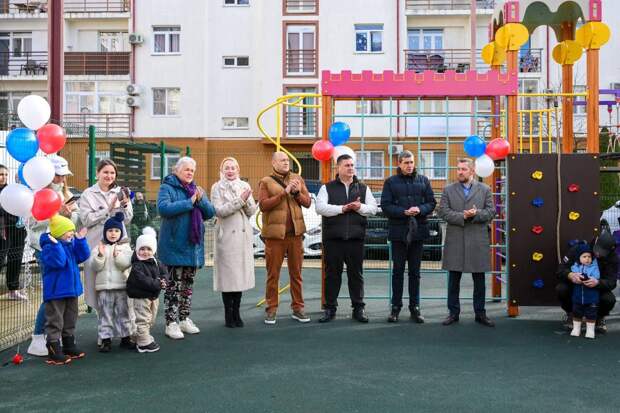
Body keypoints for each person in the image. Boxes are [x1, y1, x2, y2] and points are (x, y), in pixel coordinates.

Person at [26, 157, 80, 357]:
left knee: (62, 294)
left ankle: (58, 337)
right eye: (58, 175)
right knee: (52, 295)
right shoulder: (37, 195)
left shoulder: (66, 193)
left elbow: (76, 220)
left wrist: (68, 214)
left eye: (63, 175)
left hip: (65, 248)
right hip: (45, 249)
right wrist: (57, 213)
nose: (61, 179)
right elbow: (34, 223)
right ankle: (39, 337)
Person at [157, 156, 215, 339]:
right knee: (173, 287)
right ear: (177, 170)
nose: (190, 173)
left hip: (192, 247)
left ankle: (184, 318)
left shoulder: (196, 189)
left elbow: (210, 212)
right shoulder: (167, 187)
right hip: (174, 245)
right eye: (186, 169)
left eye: (192, 170)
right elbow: (164, 208)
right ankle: (171, 323)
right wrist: (189, 202)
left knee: (188, 286)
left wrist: (201, 199)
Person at [316, 154, 378, 323]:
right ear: (338, 168)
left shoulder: (363, 188)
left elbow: (373, 209)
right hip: (333, 240)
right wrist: (342, 209)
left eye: (352, 165)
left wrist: (359, 207)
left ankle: (358, 309)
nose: (351, 168)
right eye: (347, 165)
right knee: (332, 275)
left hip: (356, 240)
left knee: (356, 275)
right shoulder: (327, 188)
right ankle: (330, 309)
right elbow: (320, 208)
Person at [437, 158, 495, 327]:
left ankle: (480, 313)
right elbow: (443, 212)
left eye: (463, 169)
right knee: (453, 280)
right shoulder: (448, 189)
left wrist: (476, 214)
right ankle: (453, 313)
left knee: (479, 280)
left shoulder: (485, 189)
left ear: (472, 171)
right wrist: (463, 215)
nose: (460, 172)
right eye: (458, 169)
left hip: (477, 240)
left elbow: (491, 211)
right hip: (455, 240)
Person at [380, 150, 436, 323]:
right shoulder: (390, 182)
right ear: (399, 163)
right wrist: (403, 212)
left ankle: (415, 308)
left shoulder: (424, 180)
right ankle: (395, 308)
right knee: (397, 272)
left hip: (418, 232)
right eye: (406, 162)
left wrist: (420, 209)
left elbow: (431, 203)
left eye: (411, 162)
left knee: (415, 273)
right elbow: (385, 206)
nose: (410, 165)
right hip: (398, 233)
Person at [258, 151, 312, 325]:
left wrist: (296, 193)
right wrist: (284, 192)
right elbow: (263, 205)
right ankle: (271, 309)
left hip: (295, 235)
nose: (286, 162)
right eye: (282, 160)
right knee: (273, 275)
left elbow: (308, 202)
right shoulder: (266, 181)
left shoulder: (297, 179)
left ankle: (298, 308)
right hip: (274, 237)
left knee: (296, 275)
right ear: (273, 163)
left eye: (287, 160)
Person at [79, 159, 134, 314]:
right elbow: (86, 220)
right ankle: (103, 322)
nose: (109, 176)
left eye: (112, 173)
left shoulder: (121, 192)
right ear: (97, 173)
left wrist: (125, 204)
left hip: (118, 247)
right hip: (96, 247)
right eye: (105, 172)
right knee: (96, 286)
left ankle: (122, 322)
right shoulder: (88, 194)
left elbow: (128, 218)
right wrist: (107, 210)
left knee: (121, 282)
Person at [210, 157, 257, 328]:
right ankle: (228, 314)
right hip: (227, 237)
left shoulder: (244, 186)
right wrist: (240, 200)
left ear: (238, 170)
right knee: (228, 278)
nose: (230, 171)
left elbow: (251, 211)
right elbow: (220, 211)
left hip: (242, 237)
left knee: (239, 277)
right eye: (227, 168)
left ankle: (237, 312)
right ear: (222, 171)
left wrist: (247, 201)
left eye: (233, 168)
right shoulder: (217, 187)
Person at [40, 215, 90, 365]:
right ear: (58, 232)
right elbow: (59, 262)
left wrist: (80, 241)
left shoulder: (70, 244)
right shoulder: (49, 247)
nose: (71, 233)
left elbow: (83, 256)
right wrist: (56, 245)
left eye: (72, 230)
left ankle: (68, 344)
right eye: (68, 230)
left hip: (71, 290)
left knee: (70, 318)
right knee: (55, 320)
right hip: (56, 292)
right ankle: (54, 349)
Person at [89, 212, 134, 352]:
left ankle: (125, 337)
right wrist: (100, 255)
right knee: (105, 314)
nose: (113, 233)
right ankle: (105, 339)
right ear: (105, 232)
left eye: (116, 230)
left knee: (124, 313)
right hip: (104, 288)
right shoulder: (99, 247)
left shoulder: (125, 248)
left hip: (121, 286)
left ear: (121, 232)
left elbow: (125, 264)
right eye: (110, 231)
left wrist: (117, 256)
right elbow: (95, 266)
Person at [556, 230, 617, 333]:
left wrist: (598, 282)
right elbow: (560, 270)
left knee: (609, 299)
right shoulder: (578, 249)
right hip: (576, 286)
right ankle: (571, 314)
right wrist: (570, 275)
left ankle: (599, 317)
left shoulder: (612, 258)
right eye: (598, 250)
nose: (599, 254)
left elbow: (612, 282)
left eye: (603, 252)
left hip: (597, 289)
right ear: (595, 242)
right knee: (561, 289)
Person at [127, 227, 169, 353]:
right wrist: (158, 283)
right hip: (141, 296)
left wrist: (164, 281)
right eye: (142, 249)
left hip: (153, 295)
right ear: (137, 250)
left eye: (149, 249)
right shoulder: (137, 265)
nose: (145, 252)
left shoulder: (156, 262)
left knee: (151, 319)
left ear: (153, 250)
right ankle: (143, 343)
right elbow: (142, 280)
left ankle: (136, 337)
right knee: (143, 319)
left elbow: (164, 272)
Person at [0, 165, 28, 300]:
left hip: (18, 228)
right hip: (3, 229)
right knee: (1, 258)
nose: (4, 177)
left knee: (16, 257)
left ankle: (13, 289)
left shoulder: (11, 189)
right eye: (1, 174)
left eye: (6, 174)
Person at [568, 244, 600, 339]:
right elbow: (573, 272)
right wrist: (575, 275)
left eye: (589, 256)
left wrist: (589, 277)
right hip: (578, 296)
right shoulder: (576, 266)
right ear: (579, 258)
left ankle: (590, 330)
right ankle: (576, 328)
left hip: (591, 297)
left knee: (591, 313)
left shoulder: (594, 266)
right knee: (576, 311)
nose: (587, 259)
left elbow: (597, 276)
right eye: (584, 256)